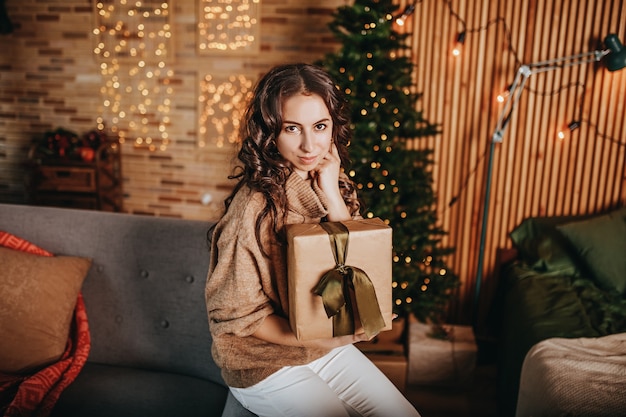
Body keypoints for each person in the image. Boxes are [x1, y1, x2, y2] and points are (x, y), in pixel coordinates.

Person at [205, 63, 421, 417]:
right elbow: (235, 316)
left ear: (333, 126)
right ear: (270, 132)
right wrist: (319, 338)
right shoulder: (253, 209)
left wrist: (333, 196)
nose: (310, 145)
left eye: (320, 126)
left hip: (321, 348)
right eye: (292, 128)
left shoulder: (326, 178)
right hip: (263, 363)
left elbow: (356, 263)